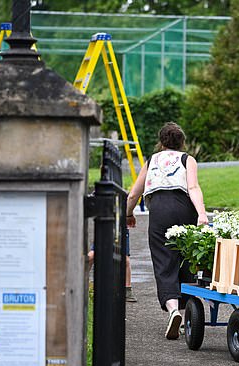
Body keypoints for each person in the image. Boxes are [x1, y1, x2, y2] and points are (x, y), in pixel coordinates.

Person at [126, 122, 208, 340]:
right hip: (184, 208)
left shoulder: (151, 160)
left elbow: (134, 193)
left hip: (159, 209)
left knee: (164, 260)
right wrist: (202, 214)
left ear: (161, 141)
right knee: (186, 257)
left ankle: (173, 311)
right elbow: (193, 187)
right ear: (182, 141)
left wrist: (128, 213)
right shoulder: (187, 159)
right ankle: (187, 312)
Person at [88, 229, 136, 302]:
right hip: (104, 228)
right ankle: (81, 282)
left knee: (125, 260)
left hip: (120, 228)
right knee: (91, 256)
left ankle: (127, 290)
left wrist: (130, 217)